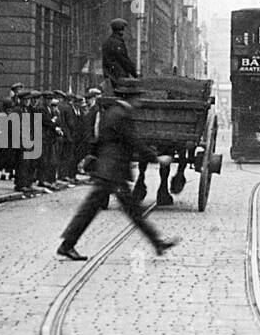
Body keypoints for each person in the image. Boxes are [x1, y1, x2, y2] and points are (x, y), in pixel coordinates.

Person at [57, 84, 178, 261]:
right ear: (131, 98)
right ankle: (66, 245)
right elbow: (133, 141)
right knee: (100, 210)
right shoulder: (122, 115)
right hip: (113, 171)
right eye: (137, 97)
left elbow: (102, 140)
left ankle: (157, 243)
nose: (139, 101)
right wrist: (157, 158)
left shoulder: (112, 112)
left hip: (109, 170)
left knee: (126, 210)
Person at [101, 18, 138, 86]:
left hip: (109, 77)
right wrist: (135, 73)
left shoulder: (107, 42)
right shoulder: (117, 43)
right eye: (124, 29)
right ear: (121, 30)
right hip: (118, 77)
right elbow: (124, 60)